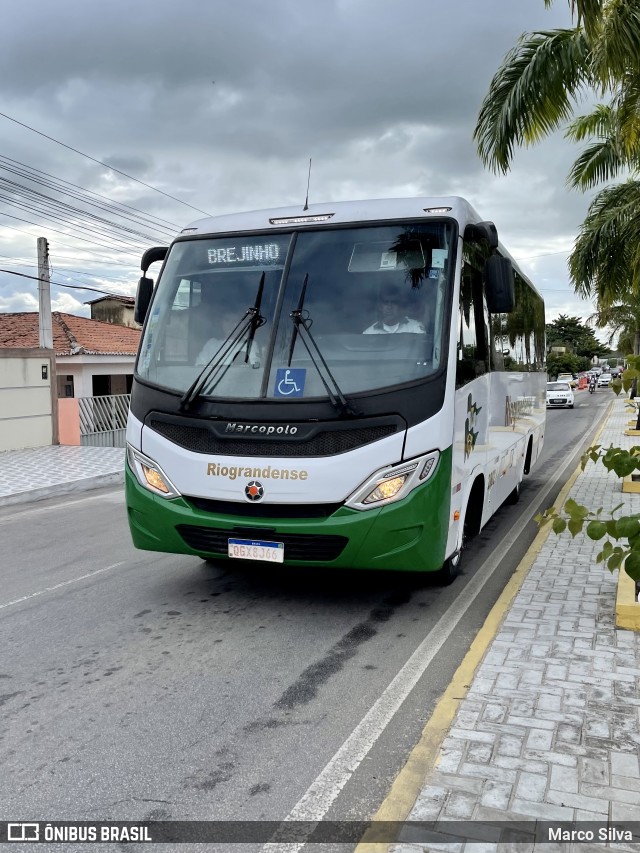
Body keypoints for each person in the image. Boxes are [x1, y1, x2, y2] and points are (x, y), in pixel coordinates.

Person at [195, 306, 261, 367]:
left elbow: (254, 369)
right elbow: (198, 366)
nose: (230, 324)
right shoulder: (211, 343)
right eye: (227, 320)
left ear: (241, 324)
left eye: (234, 321)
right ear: (221, 322)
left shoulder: (250, 344)